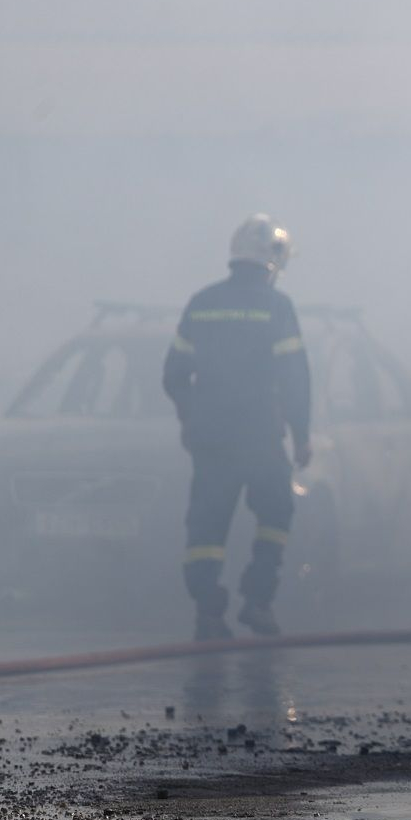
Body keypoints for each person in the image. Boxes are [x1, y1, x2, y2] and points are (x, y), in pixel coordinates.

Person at [162, 214, 312, 641]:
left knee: (207, 528)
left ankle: (208, 613)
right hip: (260, 436)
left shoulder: (202, 302)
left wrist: (190, 415)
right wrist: (301, 435)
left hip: (210, 439)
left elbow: (173, 375)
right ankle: (258, 601)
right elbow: (295, 376)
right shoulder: (277, 307)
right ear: (273, 261)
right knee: (276, 514)